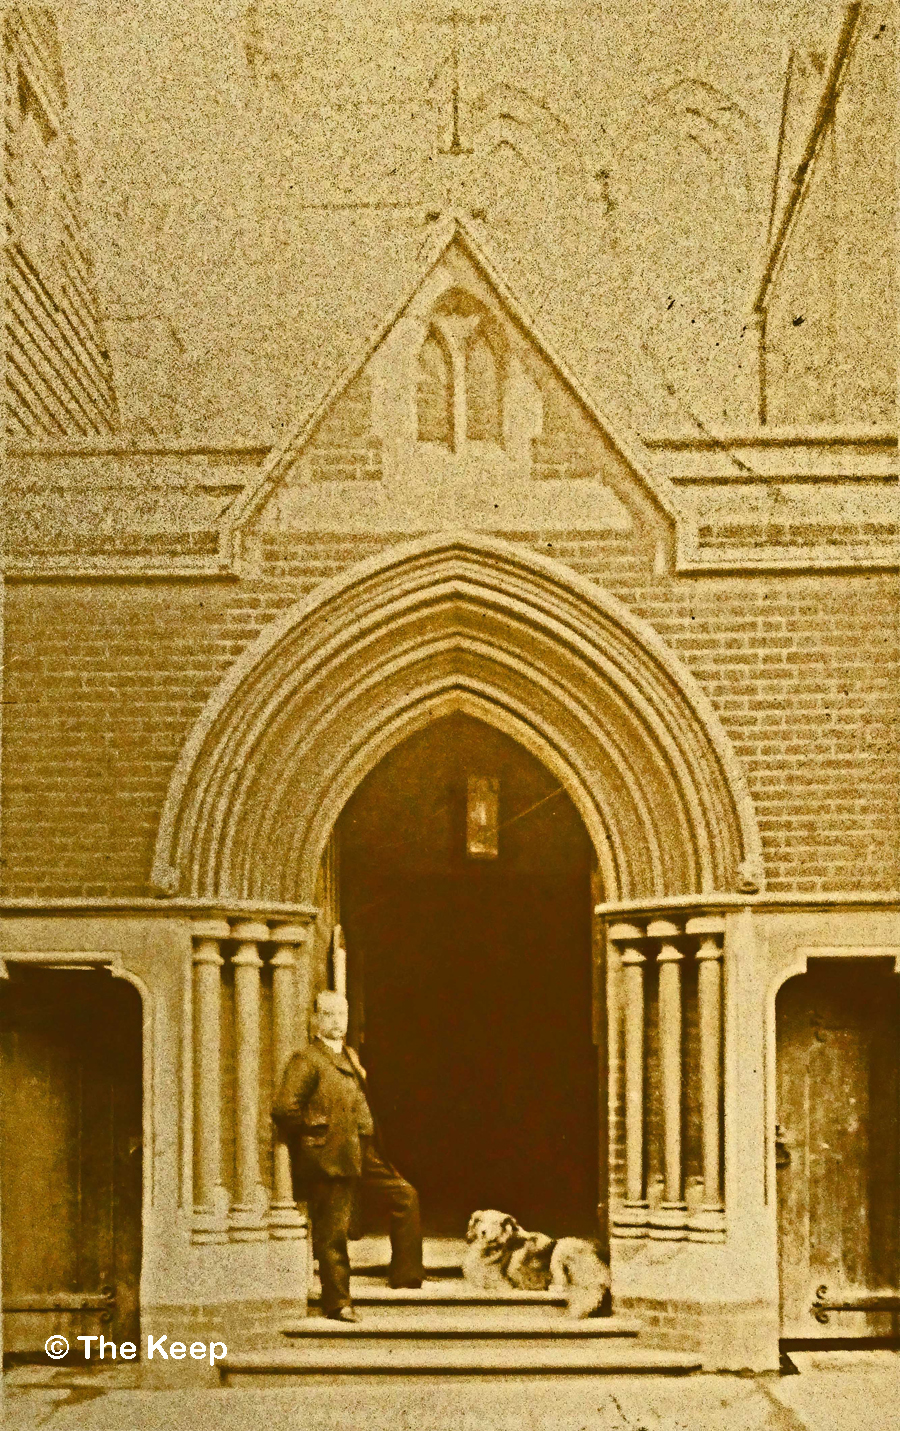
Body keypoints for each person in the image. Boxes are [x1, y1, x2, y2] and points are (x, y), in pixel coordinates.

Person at [273, 990, 424, 1321]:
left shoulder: (349, 1055)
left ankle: (407, 1276)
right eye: (328, 1015)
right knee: (333, 1232)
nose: (336, 1021)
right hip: (330, 1154)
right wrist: (318, 1129)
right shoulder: (307, 1059)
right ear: (315, 1020)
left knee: (405, 1197)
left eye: (341, 1014)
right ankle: (338, 1303)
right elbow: (284, 1108)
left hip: (361, 1148)